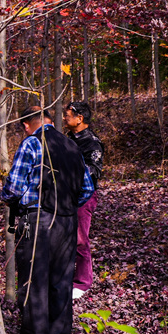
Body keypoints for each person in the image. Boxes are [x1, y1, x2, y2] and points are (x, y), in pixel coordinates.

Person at [2, 106, 94, 334]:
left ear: (26, 124)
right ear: (51, 121)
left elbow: (13, 188)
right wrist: (66, 206)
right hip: (67, 223)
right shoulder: (72, 146)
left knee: (34, 281)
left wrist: (11, 199)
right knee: (61, 283)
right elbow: (87, 189)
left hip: (39, 221)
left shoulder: (32, 143)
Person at [63, 101, 104, 300]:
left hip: (84, 197)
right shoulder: (67, 139)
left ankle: (83, 281)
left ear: (80, 119)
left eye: (68, 115)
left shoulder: (92, 143)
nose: (65, 118)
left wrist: (71, 171)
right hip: (64, 195)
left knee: (80, 239)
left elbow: (95, 171)